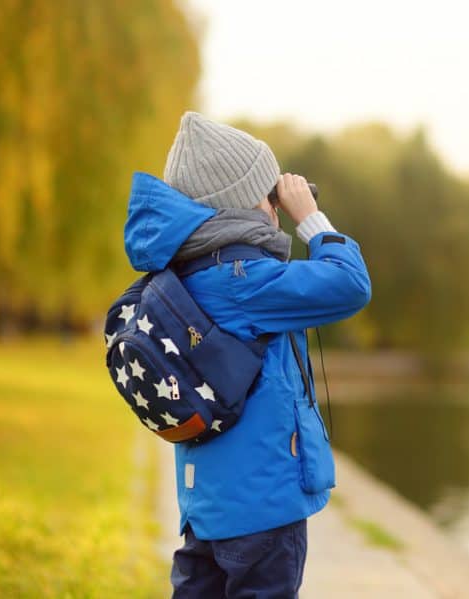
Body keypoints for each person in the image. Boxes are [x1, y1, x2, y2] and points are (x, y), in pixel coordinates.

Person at [122, 111, 371, 598]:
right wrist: (311, 219)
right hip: (264, 512)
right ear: (250, 202)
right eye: (268, 194)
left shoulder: (182, 276)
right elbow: (350, 284)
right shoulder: (245, 280)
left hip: (206, 508)